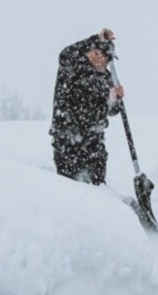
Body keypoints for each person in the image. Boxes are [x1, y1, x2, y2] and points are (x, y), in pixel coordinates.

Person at [49, 28, 125, 185]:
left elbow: (113, 110)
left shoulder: (107, 77)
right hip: (68, 136)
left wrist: (113, 99)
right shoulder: (73, 64)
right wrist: (94, 39)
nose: (106, 63)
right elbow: (67, 55)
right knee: (70, 186)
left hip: (94, 139)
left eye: (109, 60)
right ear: (94, 53)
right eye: (105, 57)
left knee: (98, 187)